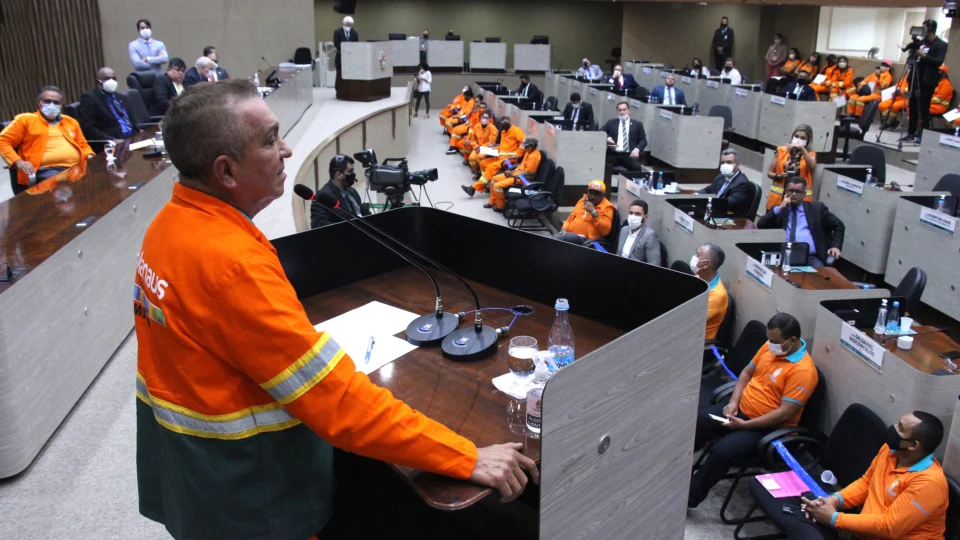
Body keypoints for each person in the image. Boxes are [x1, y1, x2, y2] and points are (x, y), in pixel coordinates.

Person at [137, 80, 539, 539]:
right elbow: (335, 400)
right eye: (270, 139)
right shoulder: (229, 263)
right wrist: (467, 455)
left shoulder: (167, 227)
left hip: (197, 476)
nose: (287, 149)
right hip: (252, 497)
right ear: (226, 171)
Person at [689, 312, 818, 508]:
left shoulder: (803, 372)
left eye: (774, 340)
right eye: (769, 339)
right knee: (698, 421)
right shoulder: (770, 347)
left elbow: (784, 413)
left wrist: (746, 425)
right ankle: (678, 474)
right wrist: (733, 403)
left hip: (765, 428)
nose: (769, 343)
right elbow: (746, 373)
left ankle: (689, 498)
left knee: (722, 452)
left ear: (792, 340)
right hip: (739, 411)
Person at [801, 411, 948, 539]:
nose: (894, 428)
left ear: (914, 445)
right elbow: (867, 482)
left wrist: (834, 518)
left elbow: (890, 528)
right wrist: (835, 500)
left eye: (900, 428)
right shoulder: (889, 450)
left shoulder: (929, 483)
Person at [0, 86, 95, 195]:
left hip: (77, 167)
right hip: (47, 170)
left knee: (102, 179)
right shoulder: (25, 120)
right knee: (63, 194)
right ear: (39, 102)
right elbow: (2, 141)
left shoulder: (70, 121)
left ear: (61, 105)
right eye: (47, 101)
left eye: (56, 102)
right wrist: (18, 162)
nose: (51, 105)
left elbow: (83, 144)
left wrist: (89, 155)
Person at [758, 176, 844, 267]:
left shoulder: (817, 209)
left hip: (810, 257)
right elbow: (761, 225)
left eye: (798, 191)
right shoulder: (780, 210)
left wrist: (835, 246)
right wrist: (780, 207)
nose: (794, 194)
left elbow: (838, 225)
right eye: (791, 191)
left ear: (804, 194)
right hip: (785, 255)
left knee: (819, 275)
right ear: (786, 192)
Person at [903, 19, 948, 144]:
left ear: (931, 29)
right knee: (912, 106)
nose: (922, 31)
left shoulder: (941, 44)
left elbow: (938, 61)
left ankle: (922, 135)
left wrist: (924, 56)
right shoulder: (921, 42)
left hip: (927, 80)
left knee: (923, 108)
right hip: (915, 78)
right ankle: (910, 132)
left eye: (924, 28)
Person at [78, 67, 142, 142]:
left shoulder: (122, 98)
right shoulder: (89, 98)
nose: (111, 81)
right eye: (106, 78)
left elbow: (132, 119)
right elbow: (87, 127)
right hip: (114, 142)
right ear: (98, 82)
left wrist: (139, 130)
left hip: (132, 138)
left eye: (113, 78)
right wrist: (111, 140)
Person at [310, 154, 370, 229]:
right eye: (350, 171)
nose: (353, 175)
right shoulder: (323, 197)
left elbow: (362, 213)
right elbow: (318, 225)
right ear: (339, 174)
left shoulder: (352, 192)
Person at [465, 116, 524, 190]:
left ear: (509, 121)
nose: (503, 124)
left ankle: (473, 188)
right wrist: (492, 149)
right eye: (502, 123)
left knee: (490, 167)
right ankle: (487, 184)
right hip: (501, 157)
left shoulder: (516, 130)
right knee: (483, 163)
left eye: (505, 122)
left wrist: (517, 156)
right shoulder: (503, 132)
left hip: (510, 160)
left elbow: (523, 144)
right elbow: (503, 146)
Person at [765, 124, 817, 210]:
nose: (798, 140)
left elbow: (811, 165)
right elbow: (769, 173)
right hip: (779, 198)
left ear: (808, 141)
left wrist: (801, 148)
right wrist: (780, 176)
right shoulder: (781, 150)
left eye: (803, 138)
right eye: (796, 136)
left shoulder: (810, 154)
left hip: (799, 199)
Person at [486, 136, 542, 211]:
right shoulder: (528, 152)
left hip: (522, 179)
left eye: (525, 146)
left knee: (497, 186)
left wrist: (512, 174)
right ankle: (492, 201)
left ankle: (500, 206)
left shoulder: (534, 157)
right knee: (494, 179)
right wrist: (512, 172)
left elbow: (527, 174)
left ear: (531, 146)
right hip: (516, 174)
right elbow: (521, 166)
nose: (524, 148)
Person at [698, 148, 754, 218]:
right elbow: (708, 189)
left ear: (738, 164)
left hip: (729, 218)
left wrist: (704, 201)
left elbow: (726, 204)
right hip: (713, 211)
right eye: (723, 163)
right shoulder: (721, 176)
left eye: (729, 162)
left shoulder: (742, 183)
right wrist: (695, 195)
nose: (725, 165)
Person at [555, 180, 615, 245]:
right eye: (590, 192)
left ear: (603, 195)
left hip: (588, 241)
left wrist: (593, 212)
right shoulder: (582, 201)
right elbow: (570, 218)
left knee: (564, 238)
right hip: (569, 235)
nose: (592, 196)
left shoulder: (607, 208)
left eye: (596, 194)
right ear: (587, 192)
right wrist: (564, 229)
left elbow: (605, 231)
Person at [690, 243, 728, 340]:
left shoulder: (717, 296)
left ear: (706, 264)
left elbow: (691, 321)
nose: (694, 257)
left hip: (699, 343)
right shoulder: (699, 277)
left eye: (698, 255)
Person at [602, 102, 646, 173]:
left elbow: (643, 140)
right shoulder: (611, 123)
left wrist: (637, 149)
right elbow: (601, 131)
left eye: (624, 110)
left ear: (629, 110)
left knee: (636, 168)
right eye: (620, 110)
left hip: (629, 154)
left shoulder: (637, 124)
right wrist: (609, 139)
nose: (622, 112)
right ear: (617, 111)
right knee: (602, 166)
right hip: (613, 154)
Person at [617, 200, 660, 264]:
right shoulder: (624, 230)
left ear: (645, 217)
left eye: (637, 214)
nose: (633, 216)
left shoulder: (650, 236)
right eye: (631, 213)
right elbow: (618, 254)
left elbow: (654, 264)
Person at [333, 16, 360, 98]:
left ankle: (349, 91)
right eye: (347, 24)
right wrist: (346, 47)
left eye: (350, 25)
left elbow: (356, 44)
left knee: (350, 74)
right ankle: (339, 91)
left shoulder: (354, 33)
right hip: (340, 56)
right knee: (339, 74)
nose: (349, 26)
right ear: (344, 23)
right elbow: (336, 44)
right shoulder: (337, 32)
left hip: (351, 57)